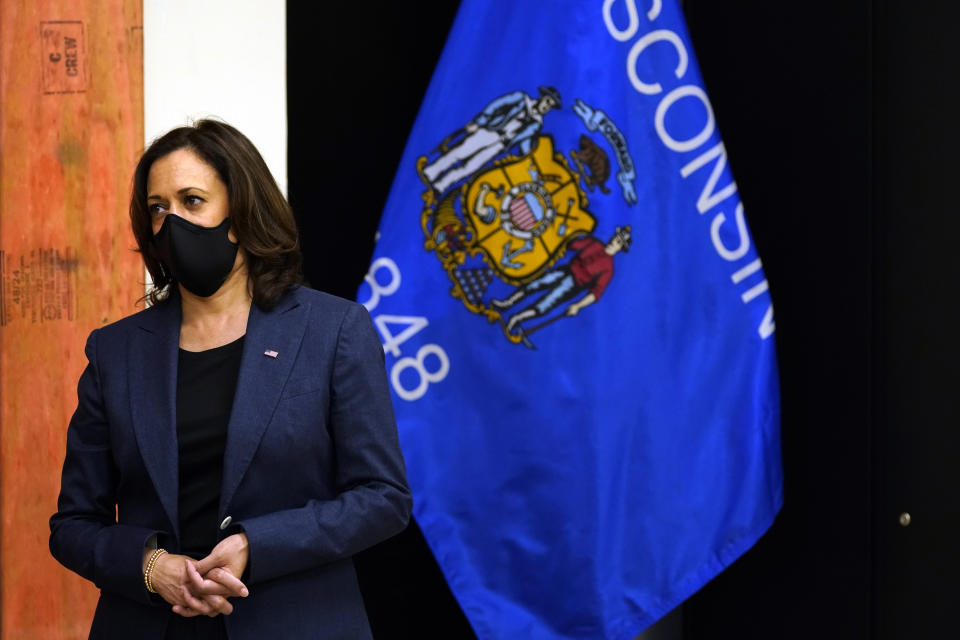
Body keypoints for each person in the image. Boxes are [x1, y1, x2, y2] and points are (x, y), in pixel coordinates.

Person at [49, 120, 412, 639]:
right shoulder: (116, 351)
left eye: (191, 200)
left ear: (240, 213)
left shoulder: (333, 330)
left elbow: (383, 497)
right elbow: (72, 526)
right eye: (157, 208)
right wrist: (152, 568)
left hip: (297, 621)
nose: (171, 221)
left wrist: (254, 545)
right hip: (153, 624)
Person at [422, 86, 561, 194]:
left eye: (551, 106)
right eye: (548, 101)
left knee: (471, 167)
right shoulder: (521, 98)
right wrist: (479, 122)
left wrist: (528, 158)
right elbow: (497, 105)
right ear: (542, 97)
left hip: (499, 145)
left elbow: (524, 141)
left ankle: (440, 186)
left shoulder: (537, 124)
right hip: (489, 131)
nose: (547, 107)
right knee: (460, 152)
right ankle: (431, 171)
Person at [492, 226, 632, 333]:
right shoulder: (594, 243)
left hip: (573, 285)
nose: (614, 241)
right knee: (534, 285)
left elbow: (596, 293)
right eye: (616, 237)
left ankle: (516, 318)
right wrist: (565, 233)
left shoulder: (609, 269)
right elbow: (572, 245)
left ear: (620, 248)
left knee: (545, 303)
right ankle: (507, 303)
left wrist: (578, 305)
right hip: (565, 270)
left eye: (619, 241)